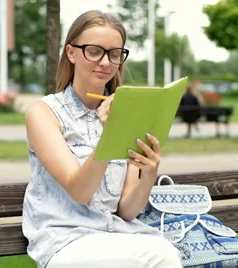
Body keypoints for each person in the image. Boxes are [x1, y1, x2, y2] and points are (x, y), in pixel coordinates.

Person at [22, 10, 183, 268]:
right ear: (71, 53)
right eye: (94, 51)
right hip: (64, 241)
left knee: (163, 252)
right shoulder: (43, 113)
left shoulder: (130, 113)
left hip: (116, 235)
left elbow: (127, 211)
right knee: (160, 256)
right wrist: (110, 135)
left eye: (114, 54)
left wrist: (149, 173)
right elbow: (80, 191)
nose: (106, 62)